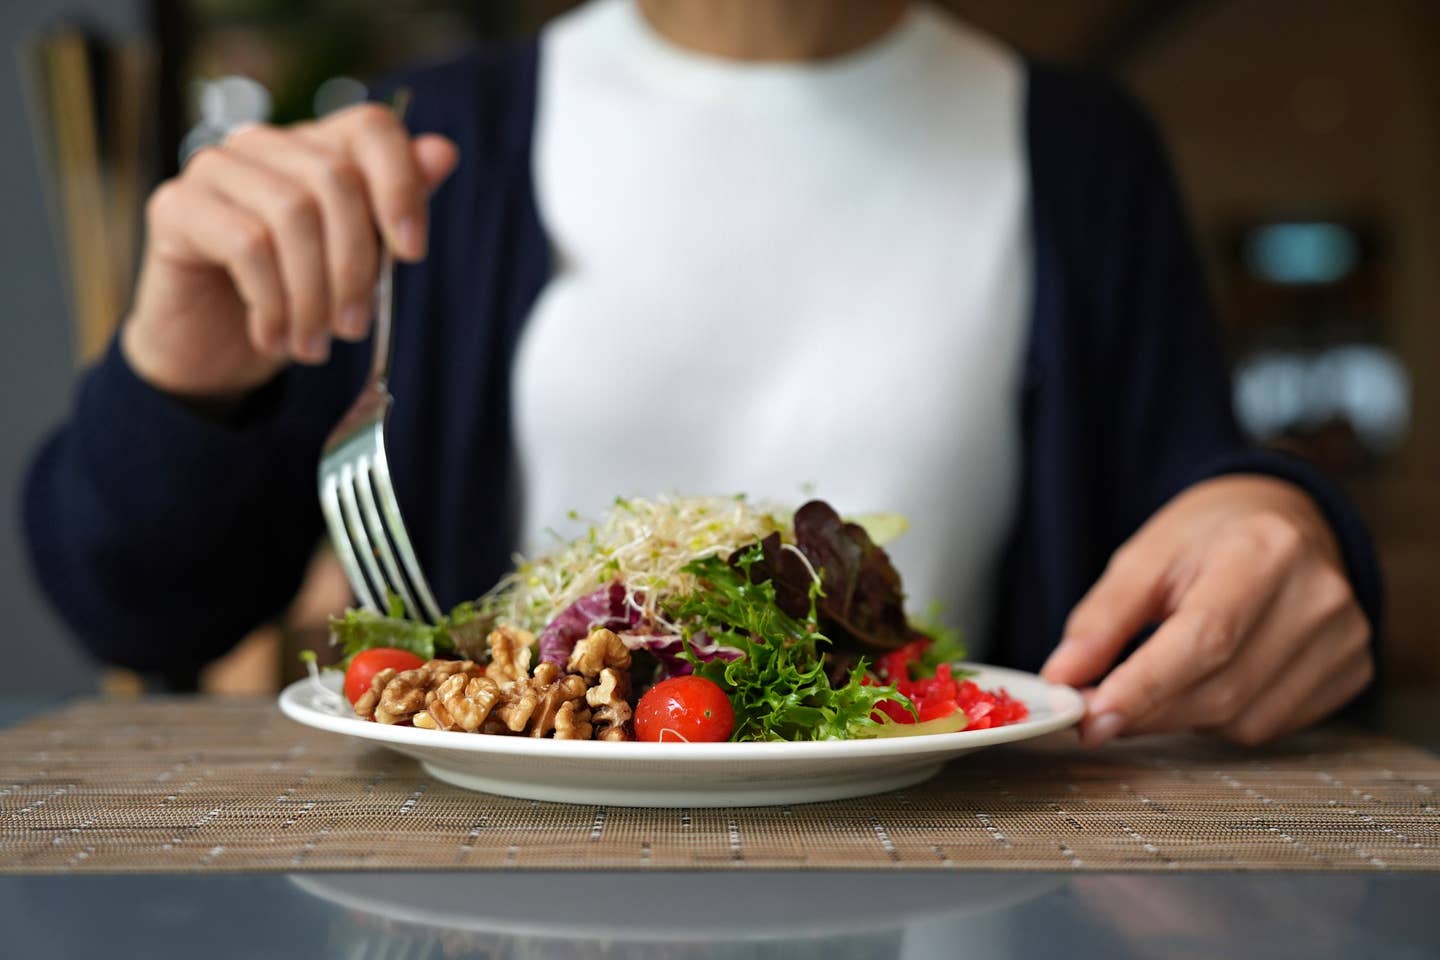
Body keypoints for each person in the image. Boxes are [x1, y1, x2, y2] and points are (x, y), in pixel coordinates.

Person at [23, 0, 1380, 745]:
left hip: (972, 905)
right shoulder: (450, 139)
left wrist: (1280, 519)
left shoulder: (1083, 153)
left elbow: (1200, 512)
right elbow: (135, 603)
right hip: (496, 909)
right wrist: (180, 377)